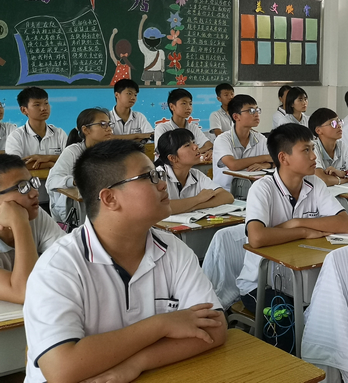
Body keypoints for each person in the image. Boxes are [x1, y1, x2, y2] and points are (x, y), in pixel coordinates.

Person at [23, 140, 227, 383]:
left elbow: (214, 328)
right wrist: (162, 325)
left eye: (159, 174)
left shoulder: (173, 249)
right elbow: (61, 369)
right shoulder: (58, 266)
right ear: (109, 198)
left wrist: (137, 363)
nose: (163, 184)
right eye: (149, 177)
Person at [237, 124, 348, 351]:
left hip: (304, 279)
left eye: (313, 149)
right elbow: (257, 237)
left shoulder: (314, 183)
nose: (314, 156)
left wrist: (296, 222)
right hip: (262, 284)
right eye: (306, 150)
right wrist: (303, 231)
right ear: (283, 158)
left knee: (337, 316)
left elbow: (344, 224)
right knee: (286, 323)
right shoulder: (262, 188)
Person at [0, 154, 64, 304]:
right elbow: (26, 292)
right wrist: (19, 224)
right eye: (22, 187)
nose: (35, 192)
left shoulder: (33, 214)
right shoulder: (23, 218)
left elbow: (68, 260)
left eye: (32, 183)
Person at [46, 108, 113, 226]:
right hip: (77, 215)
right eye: (102, 124)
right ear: (86, 130)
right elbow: (52, 181)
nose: (109, 128)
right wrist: (74, 181)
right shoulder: (72, 152)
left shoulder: (112, 152)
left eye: (109, 124)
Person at [155, 129, 233, 214]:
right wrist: (198, 199)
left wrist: (192, 206)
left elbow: (227, 196)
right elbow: (159, 207)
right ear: (173, 158)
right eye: (187, 145)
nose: (196, 146)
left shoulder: (196, 174)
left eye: (193, 142)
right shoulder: (157, 177)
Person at [212, 95, 273, 196]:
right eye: (251, 111)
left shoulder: (260, 138)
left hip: (252, 192)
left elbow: (278, 159)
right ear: (236, 117)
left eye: (257, 110)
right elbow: (233, 165)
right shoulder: (222, 139)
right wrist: (264, 158)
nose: (256, 114)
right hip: (225, 193)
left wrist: (267, 165)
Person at [5, 86, 67, 170]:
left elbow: (71, 160)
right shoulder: (16, 137)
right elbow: (14, 166)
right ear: (24, 110)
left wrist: (47, 157)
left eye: (46, 103)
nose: (44, 108)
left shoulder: (59, 133)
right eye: (37, 105)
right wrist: (49, 164)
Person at [308, 108, 348, 187]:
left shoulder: (341, 145)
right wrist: (341, 180)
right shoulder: (312, 148)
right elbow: (322, 179)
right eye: (333, 123)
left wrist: (343, 173)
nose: (339, 126)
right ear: (318, 131)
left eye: (339, 122)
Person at [153, 89, 212, 160]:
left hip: (189, 165)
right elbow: (165, 153)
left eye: (190, 104)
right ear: (172, 107)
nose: (188, 107)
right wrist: (194, 153)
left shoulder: (193, 127)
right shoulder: (162, 128)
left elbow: (208, 145)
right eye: (184, 103)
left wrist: (193, 153)